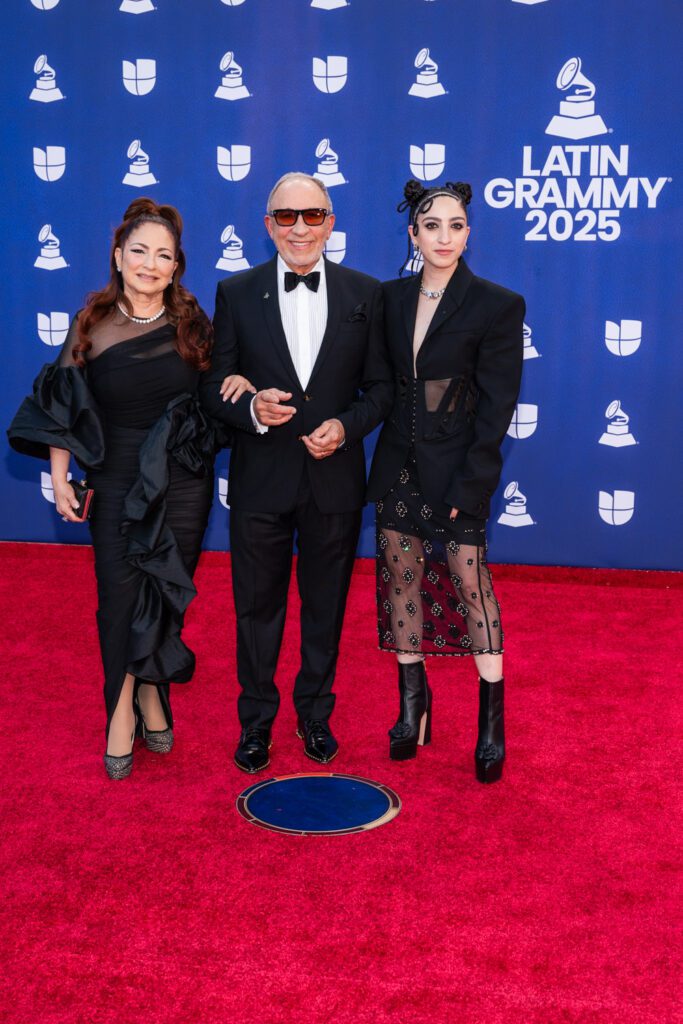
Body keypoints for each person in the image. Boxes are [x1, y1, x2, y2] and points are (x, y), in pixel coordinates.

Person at [8, 198, 242, 780]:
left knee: (164, 592)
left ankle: (151, 694)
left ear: (176, 266)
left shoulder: (193, 325)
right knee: (118, 599)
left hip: (182, 482)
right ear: (118, 256)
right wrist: (61, 477)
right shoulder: (91, 325)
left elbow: (216, 398)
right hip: (114, 479)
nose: (150, 263)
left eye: (163, 255)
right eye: (139, 251)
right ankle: (121, 707)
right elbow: (64, 406)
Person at [200, 171, 393, 773]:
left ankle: (315, 715)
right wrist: (252, 409)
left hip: (333, 480)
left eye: (313, 215)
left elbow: (383, 388)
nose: (300, 227)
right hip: (260, 478)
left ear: (331, 222)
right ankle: (255, 722)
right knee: (256, 608)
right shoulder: (235, 292)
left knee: (325, 605)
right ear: (268, 226)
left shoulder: (367, 294)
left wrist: (347, 427)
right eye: (287, 216)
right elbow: (214, 387)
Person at [367, 179, 525, 783]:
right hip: (399, 467)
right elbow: (381, 388)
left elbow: (495, 409)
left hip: (458, 471)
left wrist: (472, 485)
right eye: (432, 226)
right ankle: (414, 708)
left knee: (470, 585)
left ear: (468, 233)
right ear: (413, 234)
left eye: (456, 225)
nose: (444, 236)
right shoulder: (390, 298)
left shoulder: (496, 304)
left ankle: (491, 722)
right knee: (401, 581)